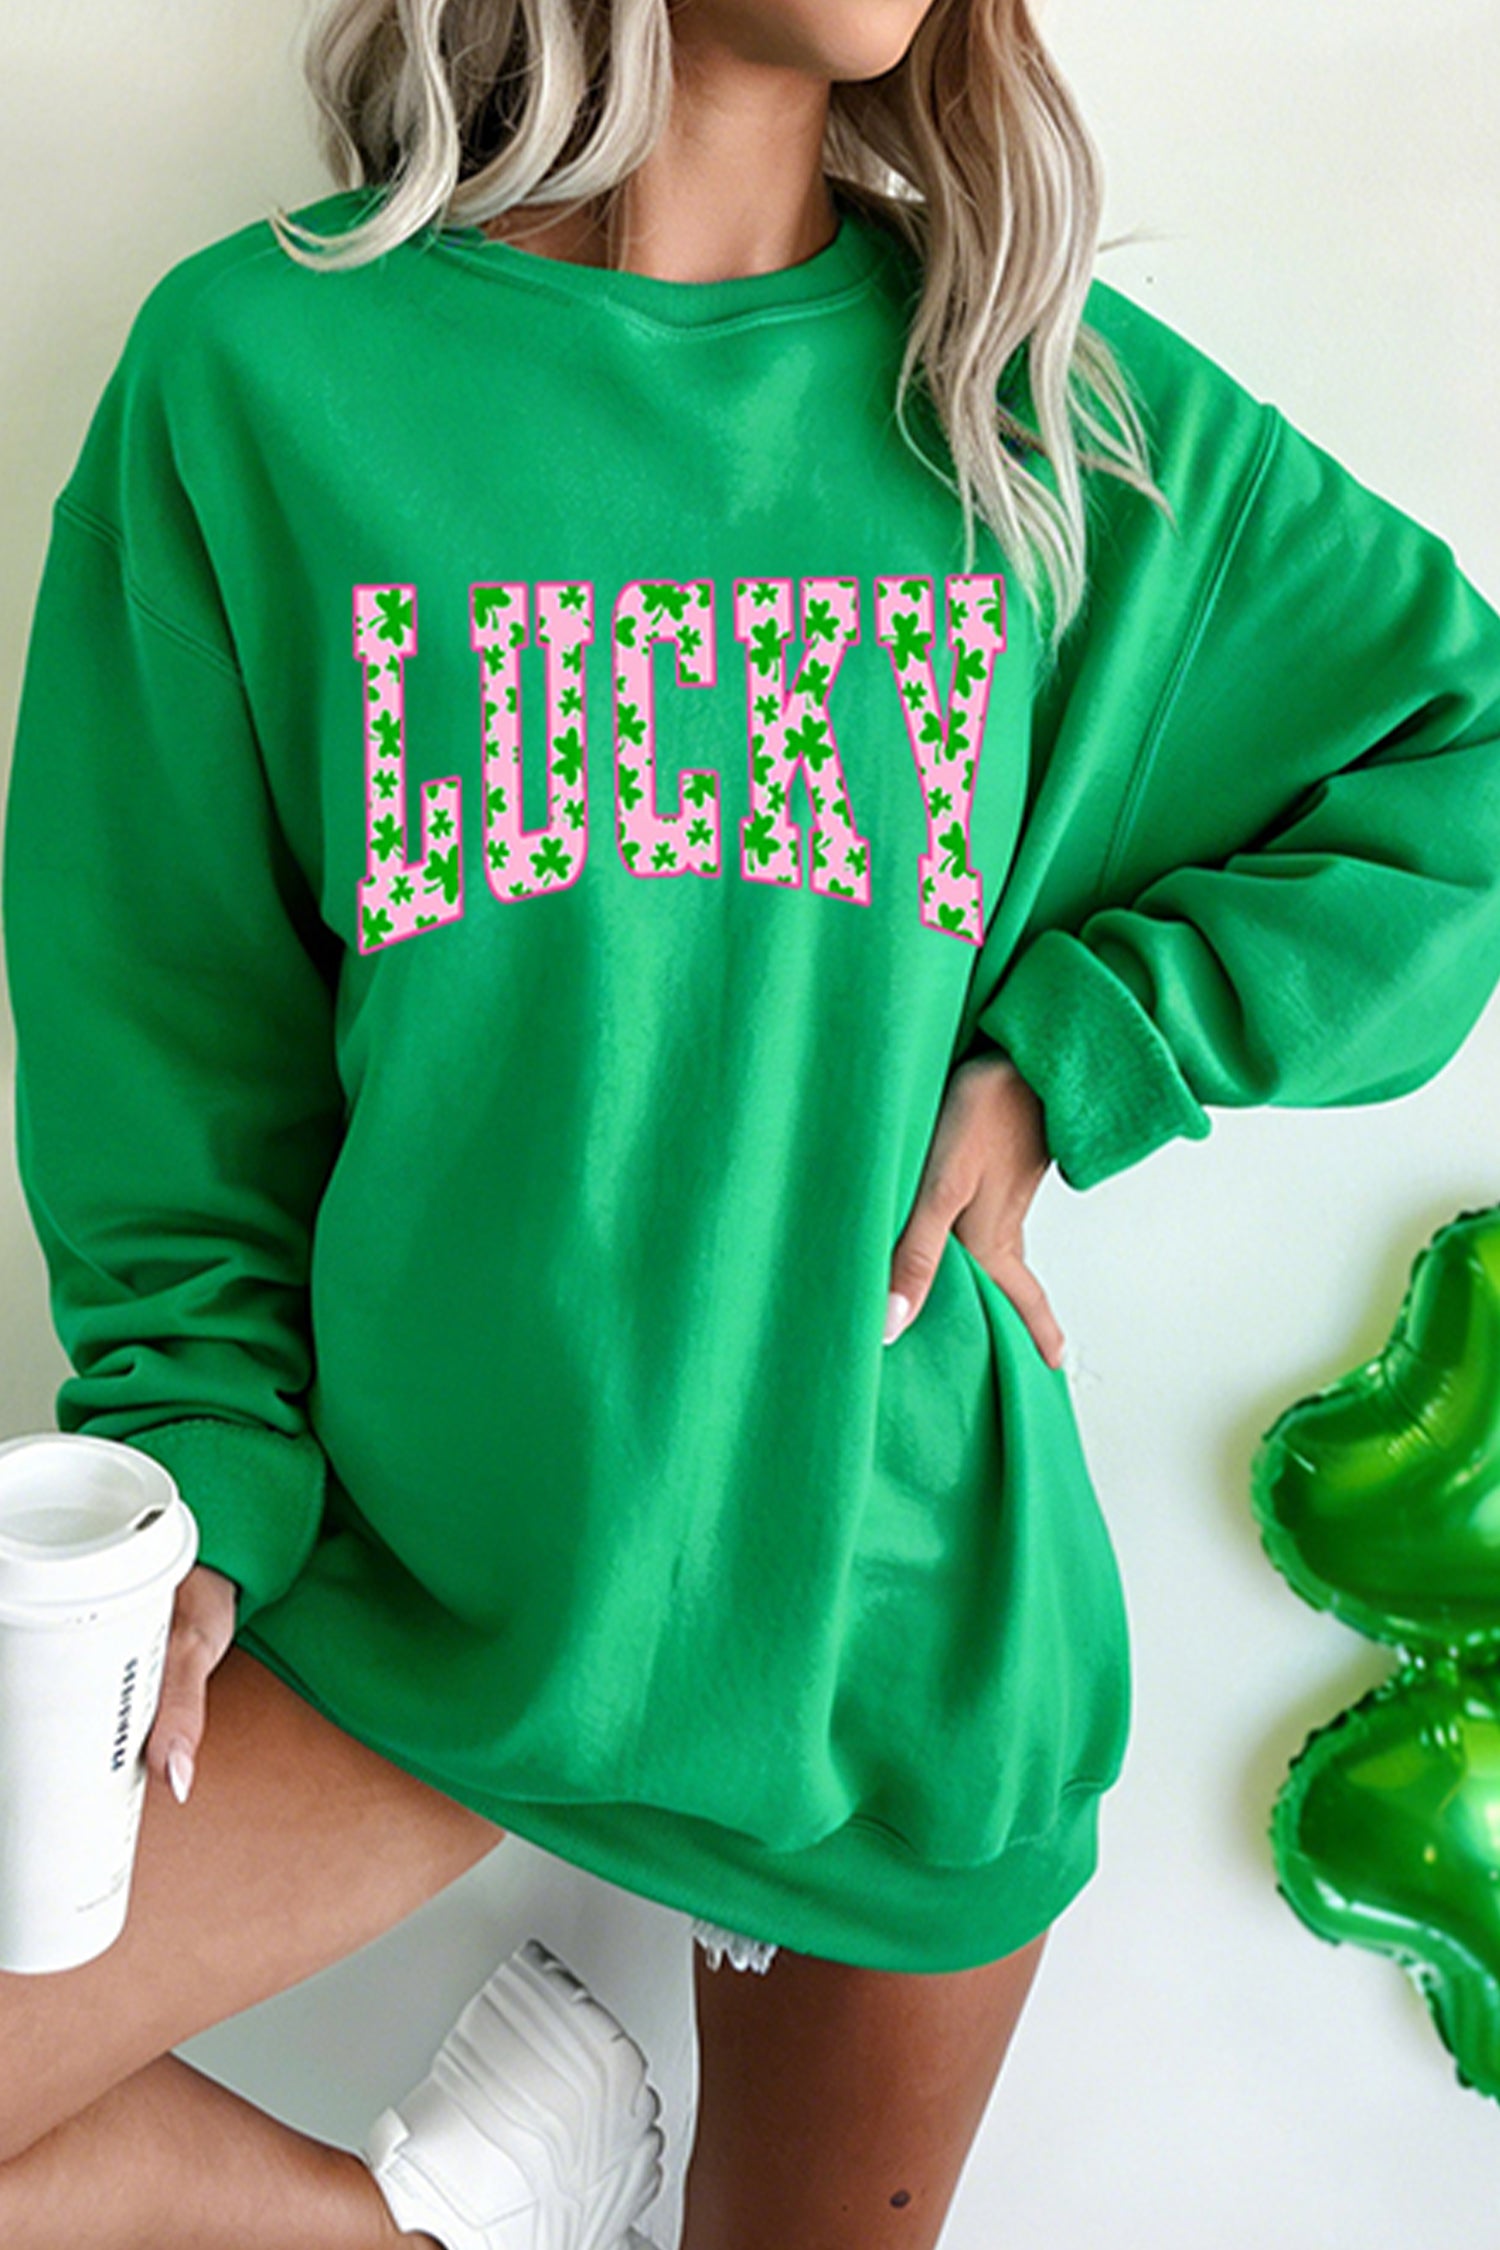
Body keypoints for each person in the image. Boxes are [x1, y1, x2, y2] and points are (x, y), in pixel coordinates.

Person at [4, 0, 1500, 2244]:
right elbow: (168, 1034)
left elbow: (1458, 761)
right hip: (413, 1579)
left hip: (886, 1619)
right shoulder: (264, 376)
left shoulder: (1028, 408)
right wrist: (194, 1464)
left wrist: (1081, 1052)